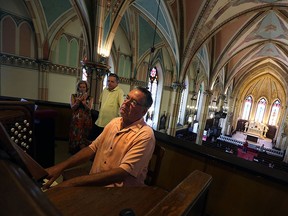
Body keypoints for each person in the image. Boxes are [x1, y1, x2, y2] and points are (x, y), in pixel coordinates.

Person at [43, 86, 154, 189]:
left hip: (118, 193)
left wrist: (74, 182)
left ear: (144, 111)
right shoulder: (114, 123)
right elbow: (92, 148)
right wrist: (61, 166)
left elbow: (122, 173)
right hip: (95, 184)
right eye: (127, 98)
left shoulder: (145, 135)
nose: (126, 103)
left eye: (134, 102)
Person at [90, 73, 124, 140]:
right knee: (93, 140)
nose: (109, 83)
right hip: (100, 121)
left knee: (105, 142)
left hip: (110, 123)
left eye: (112, 81)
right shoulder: (105, 90)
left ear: (117, 83)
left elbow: (122, 106)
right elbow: (100, 102)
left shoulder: (119, 92)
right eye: (108, 81)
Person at [69, 80, 93, 154]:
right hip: (76, 119)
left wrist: (84, 103)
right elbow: (72, 108)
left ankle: (83, 153)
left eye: (84, 87)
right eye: (80, 87)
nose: (82, 88)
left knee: (84, 135)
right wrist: (78, 102)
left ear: (86, 88)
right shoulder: (73, 96)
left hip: (86, 119)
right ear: (78, 88)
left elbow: (89, 108)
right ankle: (74, 151)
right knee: (75, 134)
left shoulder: (90, 97)